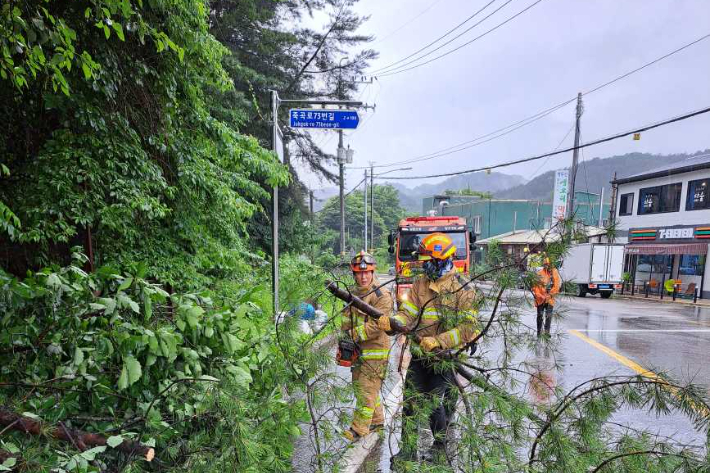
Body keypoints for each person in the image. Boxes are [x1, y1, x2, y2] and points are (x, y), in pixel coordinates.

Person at [378, 233, 480, 463]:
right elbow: (409, 315)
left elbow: (468, 328)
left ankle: (440, 447)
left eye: (428, 261)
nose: (424, 265)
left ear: (441, 259)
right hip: (419, 354)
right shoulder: (420, 283)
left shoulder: (463, 289)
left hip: (444, 357)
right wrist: (393, 323)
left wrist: (439, 341)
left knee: (434, 403)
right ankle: (407, 451)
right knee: (410, 403)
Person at [341, 251, 394, 441]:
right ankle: (377, 420)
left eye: (367, 272)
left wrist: (352, 335)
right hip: (357, 351)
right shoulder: (352, 294)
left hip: (376, 351)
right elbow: (346, 319)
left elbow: (376, 326)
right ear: (354, 274)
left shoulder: (382, 295)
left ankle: (358, 429)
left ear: (373, 272)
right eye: (359, 273)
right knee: (363, 387)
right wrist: (344, 341)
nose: (363, 277)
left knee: (366, 390)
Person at [532, 256, 561, 337]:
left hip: (549, 299)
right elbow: (535, 287)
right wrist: (540, 296)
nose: (546, 266)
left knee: (548, 316)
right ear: (543, 264)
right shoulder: (539, 273)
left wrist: (549, 295)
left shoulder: (554, 273)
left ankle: (547, 332)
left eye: (548, 264)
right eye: (545, 264)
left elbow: (556, 286)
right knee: (540, 316)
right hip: (540, 299)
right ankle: (539, 333)